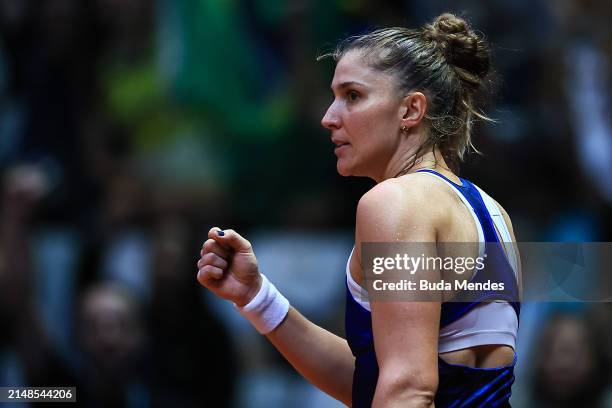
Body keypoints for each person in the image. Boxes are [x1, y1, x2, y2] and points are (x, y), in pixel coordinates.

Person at [197, 12, 521, 407]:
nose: (328, 118)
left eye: (352, 96)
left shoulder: (395, 203)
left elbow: (408, 390)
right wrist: (257, 297)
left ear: (410, 110)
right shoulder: (493, 214)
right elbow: (375, 380)